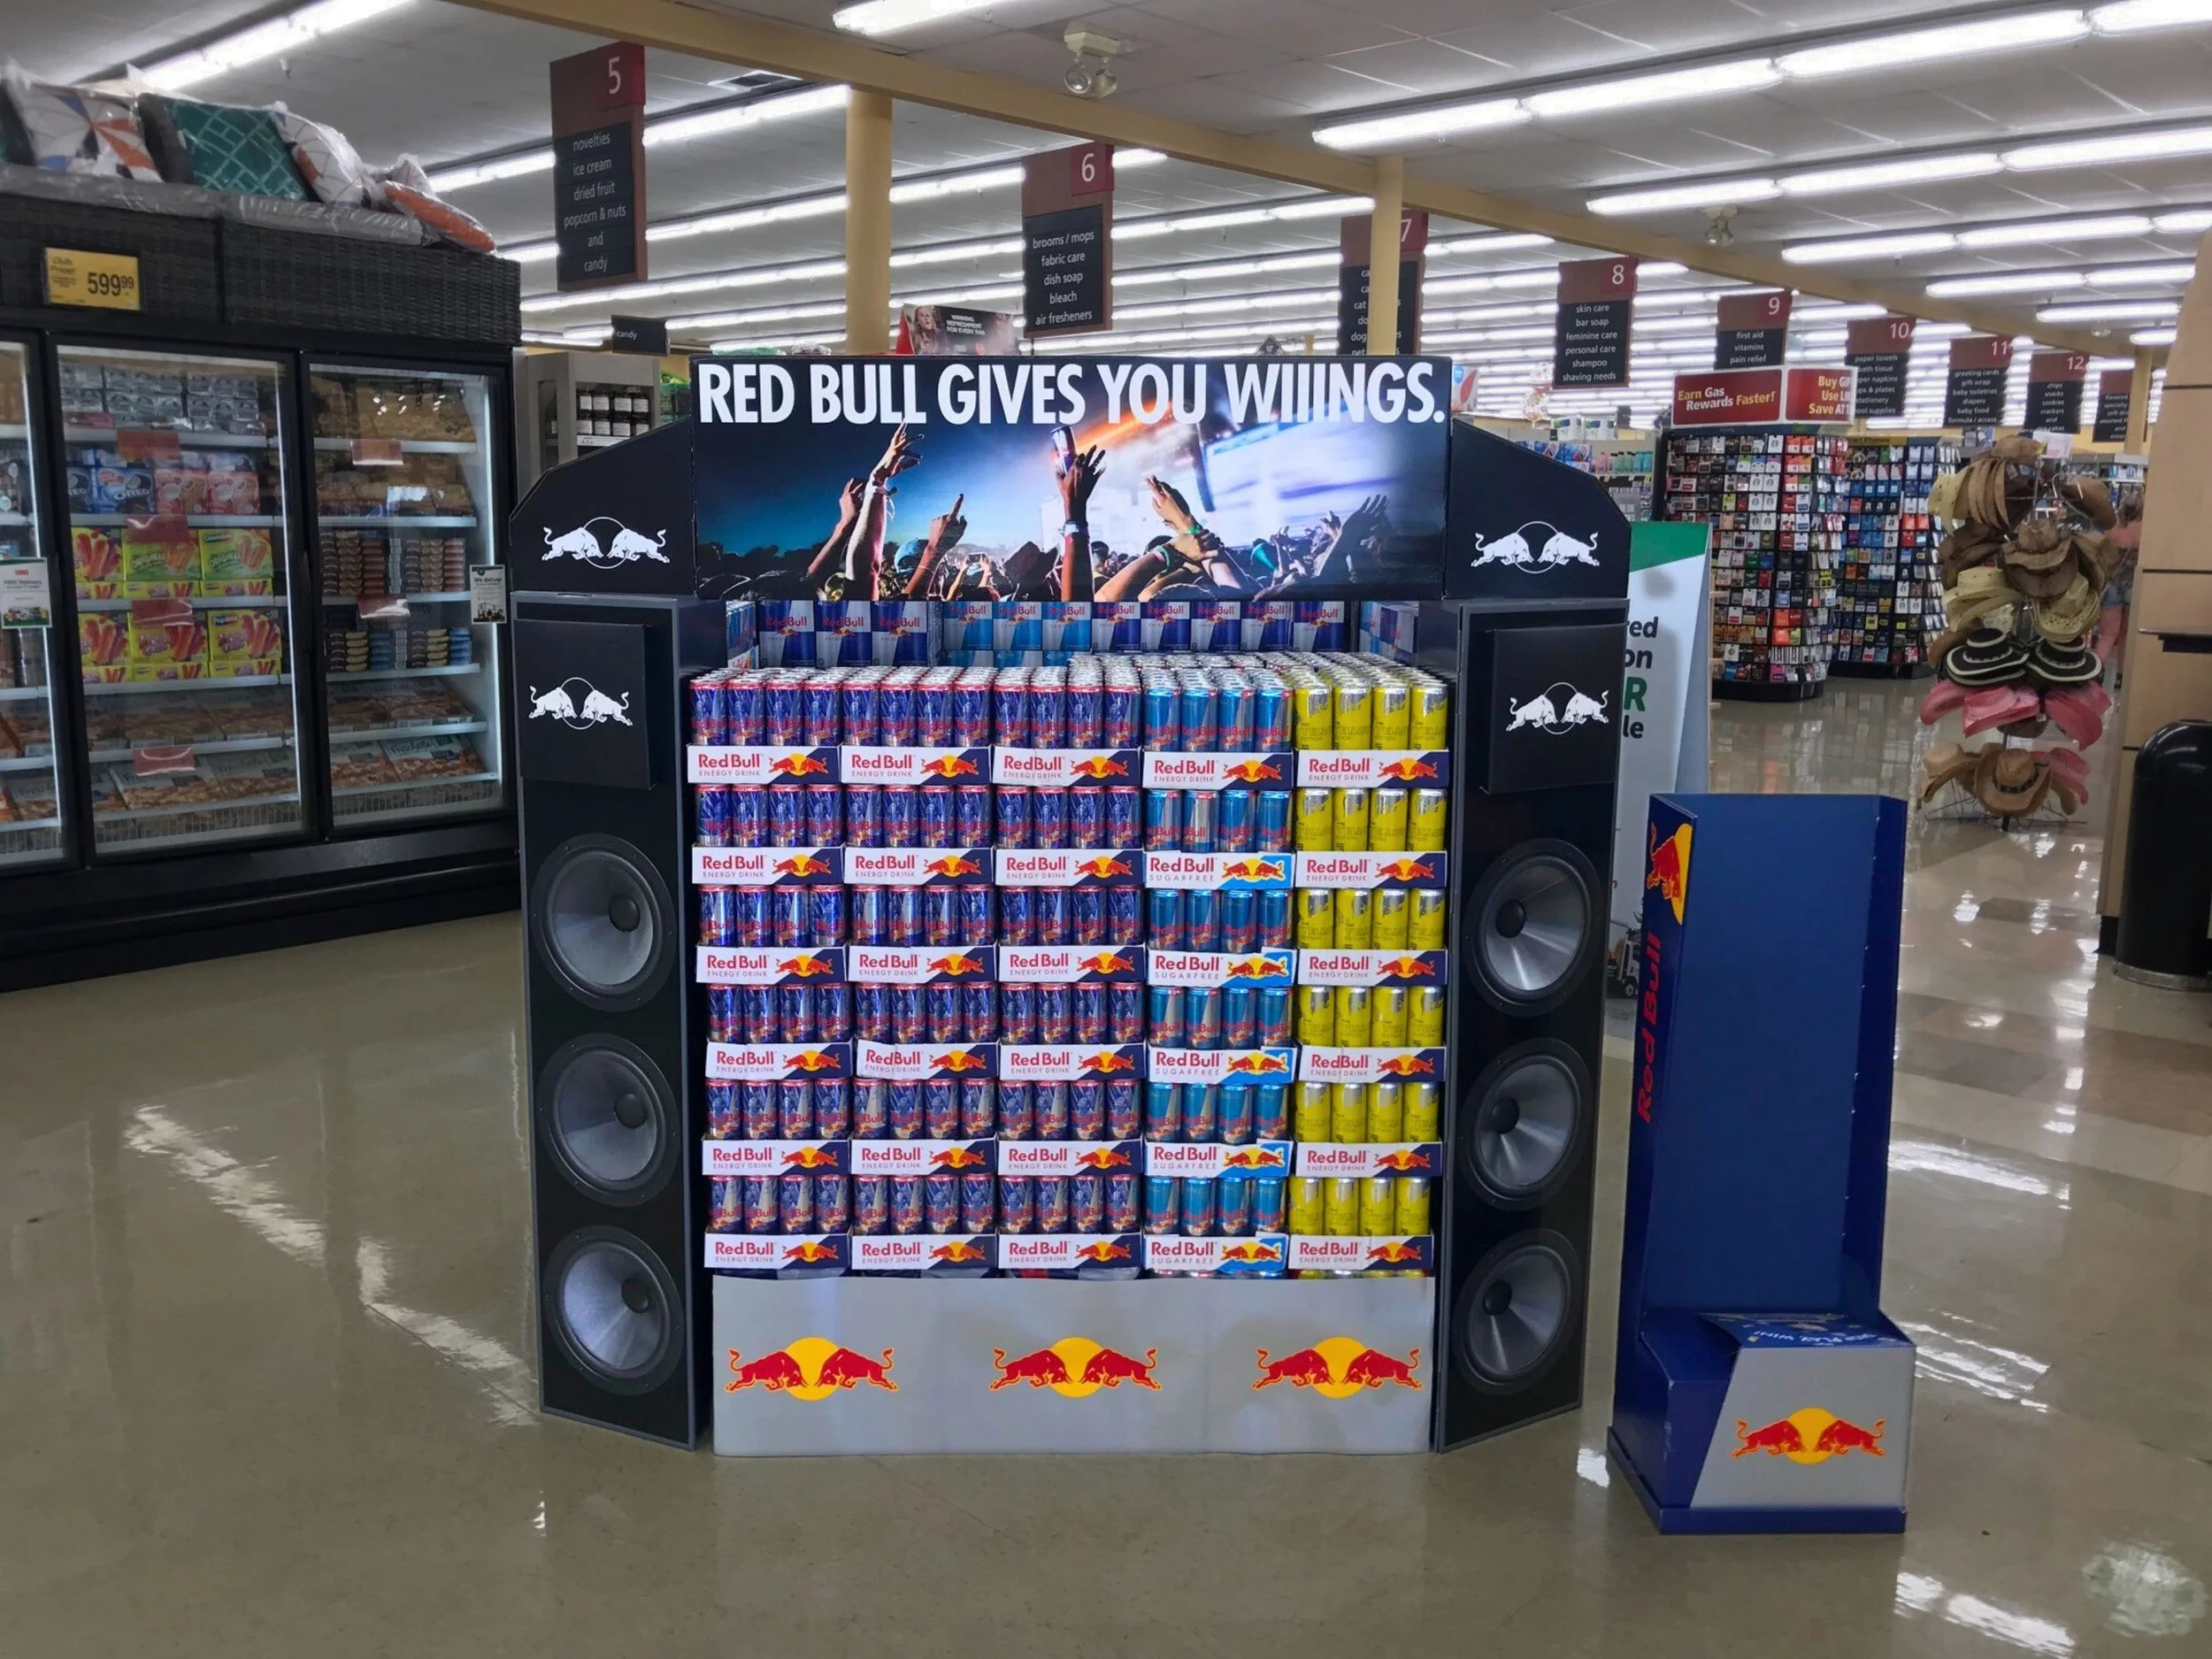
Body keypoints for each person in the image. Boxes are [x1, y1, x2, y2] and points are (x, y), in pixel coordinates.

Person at [2097, 485, 2142, 686]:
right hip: (2135, 585)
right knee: (2127, 634)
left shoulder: (2111, 530)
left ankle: (2095, 672)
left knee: (2108, 634)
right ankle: (2122, 676)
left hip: (2111, 585)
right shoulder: (2145, 531)